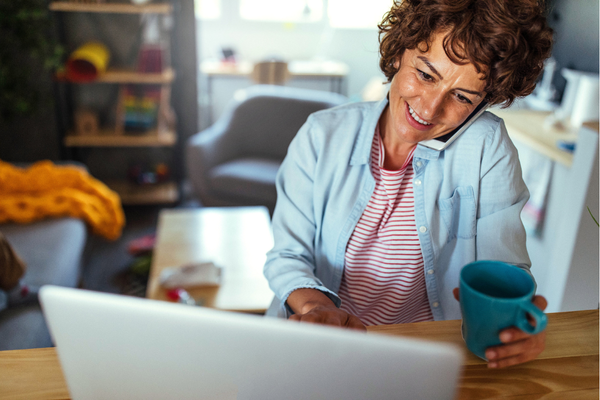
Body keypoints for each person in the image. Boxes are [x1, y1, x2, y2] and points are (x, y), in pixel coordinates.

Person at [264, 0, 553, 369]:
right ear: (401, 49)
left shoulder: (487, 147)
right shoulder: (322, 135)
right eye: (427, 75)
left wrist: (515, 323)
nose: (429, 109)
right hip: (317, 349)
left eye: (462, 97)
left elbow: (503, 269)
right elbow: (287, 257)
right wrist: (319, 310)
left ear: (484, 103)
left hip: (419, 356)